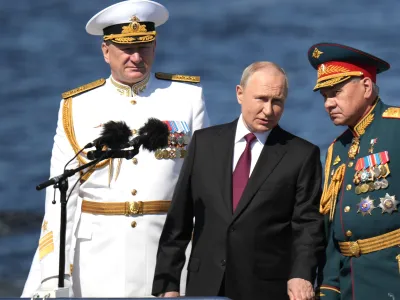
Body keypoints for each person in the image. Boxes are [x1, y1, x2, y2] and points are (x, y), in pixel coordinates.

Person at [21, 0, 209, 297]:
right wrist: (54, 277)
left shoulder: (186, 99)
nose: (136, 57)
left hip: (166, 259)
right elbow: (61, 198)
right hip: (97, 263)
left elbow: (202, 185)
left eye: (144, 48)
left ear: (155, 46)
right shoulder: (78, 106)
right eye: (126, 49)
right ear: (106, 51)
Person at [152, 61, 325, 300]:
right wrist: (167, 283)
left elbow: (307, 226)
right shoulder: (204, 143)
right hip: (205, 285)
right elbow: (179, 219)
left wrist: (302, 274)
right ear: (240, 94)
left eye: (277, 102)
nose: (268, 110)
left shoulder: (301, 154)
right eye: (261, 99)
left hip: (266, 288)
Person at [307, 42, 400, 299]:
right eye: (325, 96)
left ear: (367, 87)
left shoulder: (396, 129)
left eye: (336, 92)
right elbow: (334, 231)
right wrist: (329, 288)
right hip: (351, 287)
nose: (328, 104)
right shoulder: (337, 150)